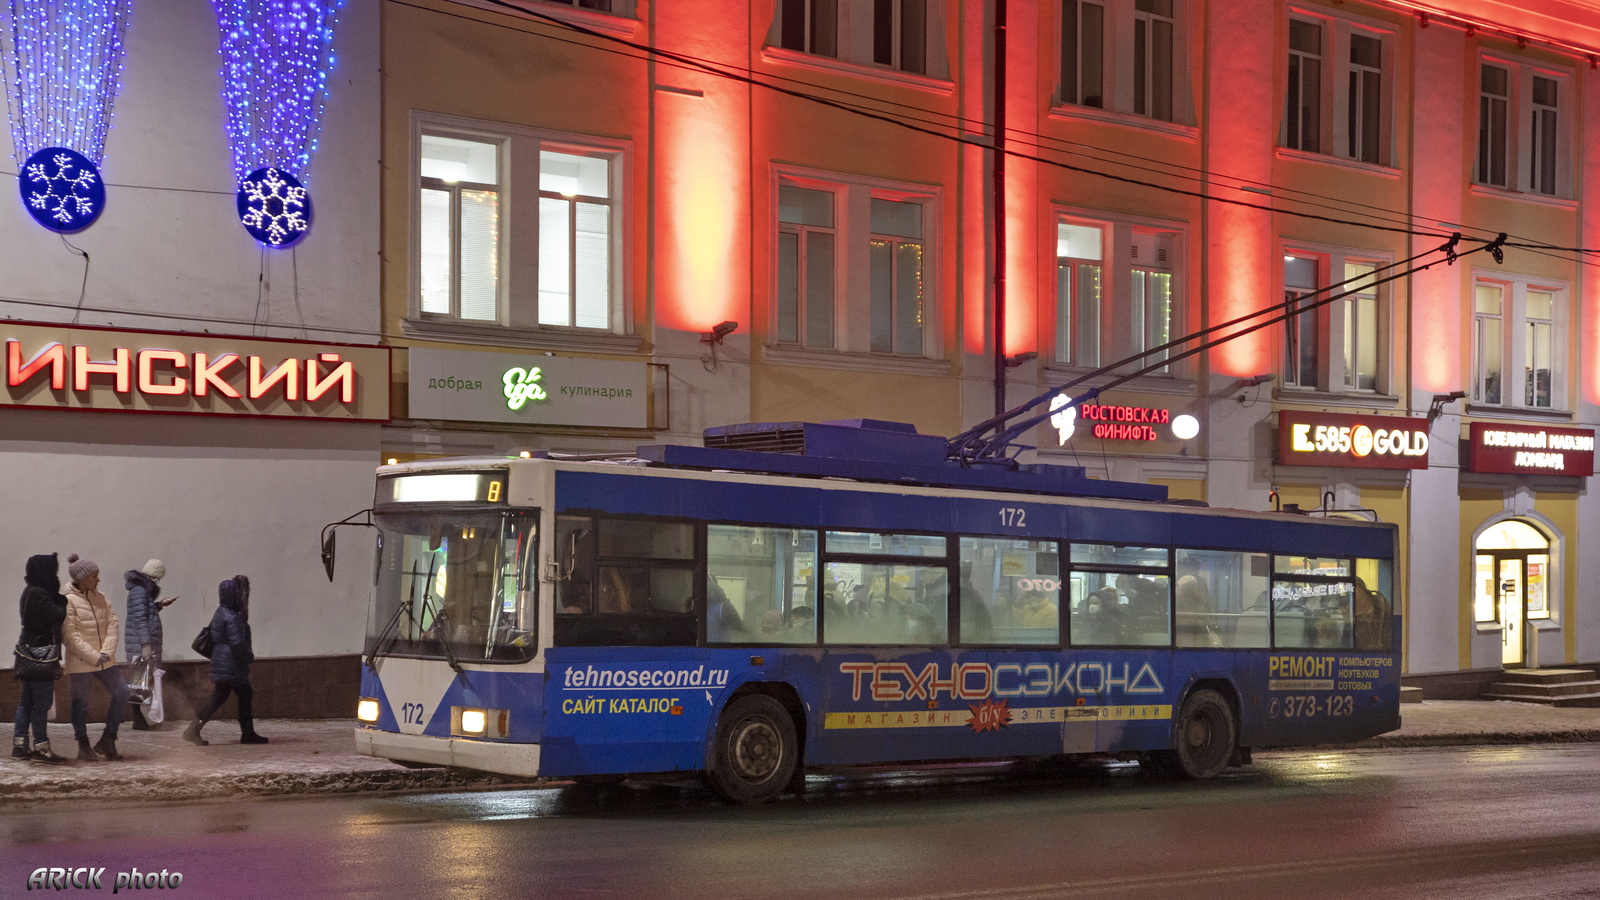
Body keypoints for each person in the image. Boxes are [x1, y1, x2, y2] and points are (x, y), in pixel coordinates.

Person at [62, 554, 131, 762]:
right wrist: (93, 656)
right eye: (94, 576)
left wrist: (106, 653)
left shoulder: (100, 598)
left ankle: (108, 739)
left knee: (122, 692)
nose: (98, 580)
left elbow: (113, 625)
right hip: (82, 661)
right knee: (81, 702)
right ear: (81, 578)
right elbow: (69, 635)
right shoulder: (68, 601)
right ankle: (83, 745)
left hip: (104, 659)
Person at [185, 576, 267, 745]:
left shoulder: (220, 611)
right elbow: (237, 643)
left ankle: (247, 733)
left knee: (233, 695)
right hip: (231, 665)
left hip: (223, 663)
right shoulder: (233, 617)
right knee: (227, 696)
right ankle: (194, 730)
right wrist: (248, 657)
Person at [13, 553, 68, 763]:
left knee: (26, 701)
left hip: (27, 652)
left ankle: (20, 744)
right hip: (40, 654)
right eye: (53, 570)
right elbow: (57, 614)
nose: (55, 574)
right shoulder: (39, 593)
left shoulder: (29, 590)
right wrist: (63, 600)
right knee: (41, 702)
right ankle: (42, 747)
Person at [123, 559, 177, 731]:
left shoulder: (140, 591)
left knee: (141, 683)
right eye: (158, 578)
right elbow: (140, 620)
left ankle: (141, 721)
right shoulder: (139, 591)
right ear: (153, 577)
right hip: (140, 644)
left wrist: (159, 605)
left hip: (139, 642)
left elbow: (145, 611)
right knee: (140, 683)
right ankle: (140, 722)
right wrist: (146, 645)